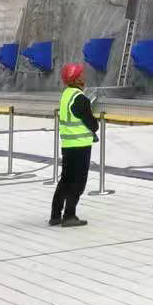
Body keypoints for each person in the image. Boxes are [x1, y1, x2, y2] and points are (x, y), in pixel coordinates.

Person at [51, 62, 99, 228]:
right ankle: (69, 215)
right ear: (76, 78)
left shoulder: (66, 95)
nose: (84, 77)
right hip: (80, 146)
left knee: (65, 179)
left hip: (68, 145)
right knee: (78, 182)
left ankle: (55, 215)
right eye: (81, 74)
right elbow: (93, 124)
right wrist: (94, 124)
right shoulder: (80, 98)